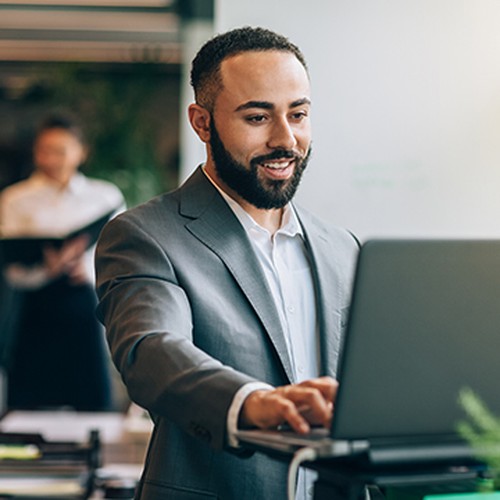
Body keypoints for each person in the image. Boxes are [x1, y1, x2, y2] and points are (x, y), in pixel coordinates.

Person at [95, 26, 359, 499]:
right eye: (257, 117)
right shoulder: (145, 235)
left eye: (297, 114)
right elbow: (151, 350)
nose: (286, 139)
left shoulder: (343, 248)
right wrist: (254, 403)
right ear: (202, 122)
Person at [0, 112, 124, 410]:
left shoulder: (104, 197)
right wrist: (46, 268)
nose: (51, 158)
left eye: (61, 150)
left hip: (85, 303)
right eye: (44, 150)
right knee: (29, 402)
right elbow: (10, 264)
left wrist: (86, 268)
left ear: (81, 152)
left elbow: (122, 256)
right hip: (35, 307)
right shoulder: (14, 199)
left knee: (91, 398)